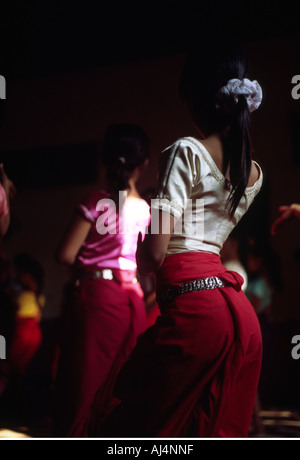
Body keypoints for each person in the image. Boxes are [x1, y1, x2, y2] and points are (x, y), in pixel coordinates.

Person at [99, 41, 264, 438]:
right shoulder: (254, 171)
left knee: (135, 428)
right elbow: (203, 235)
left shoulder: (185, 151)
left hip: (196, 308)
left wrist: (144, 241)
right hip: (238, 313)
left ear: (196, 100)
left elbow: (156, 252)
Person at [53, 124, 150, 437]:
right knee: (123, 383)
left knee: (84, 381)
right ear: (143, 165)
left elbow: (64, 255)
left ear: (105, 160)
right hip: (132, 297)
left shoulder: (96, 200)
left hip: (98, 296)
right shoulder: (147, 210)